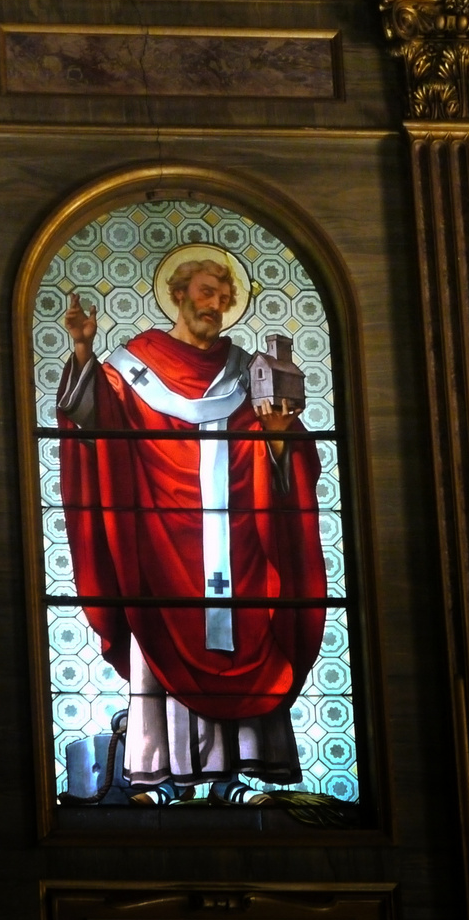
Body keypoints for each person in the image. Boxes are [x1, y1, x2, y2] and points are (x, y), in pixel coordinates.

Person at [56, 252, 327, 805]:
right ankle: (163, 779)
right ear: (178, 293)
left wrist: (278, 437)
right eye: (207, 293)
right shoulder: (131, 369)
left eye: (225, 298)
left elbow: (290, 460)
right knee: (161, 632)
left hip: (243, 537)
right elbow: (93, 429)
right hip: (159, 537)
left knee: (250, 628)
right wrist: (83, 350)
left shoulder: (250, 371)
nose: (217, 306)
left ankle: (239, 778)